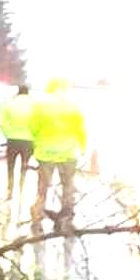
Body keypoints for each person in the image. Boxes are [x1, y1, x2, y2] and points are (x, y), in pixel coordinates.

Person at [29, 77, 87, 234]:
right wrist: (82, 147)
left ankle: (37, 222)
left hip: (46, 154)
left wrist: (37, 144)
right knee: (68, 188)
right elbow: (80, 129)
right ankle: (65, 222)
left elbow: (32, 128)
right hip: (68, 153)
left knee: (42, 189)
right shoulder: (72, 105)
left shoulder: (40, 105)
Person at [0, 83, 36, 201]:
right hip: (29, 140)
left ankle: (10, 189)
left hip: (13, 140)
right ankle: (22, 188)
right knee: (25, 166)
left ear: (18, 92)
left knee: (11, 166)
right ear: (28, 92)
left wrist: (8, 135)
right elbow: (39, 122)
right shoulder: (34, 105)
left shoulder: (9, 104)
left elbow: (2, 123)